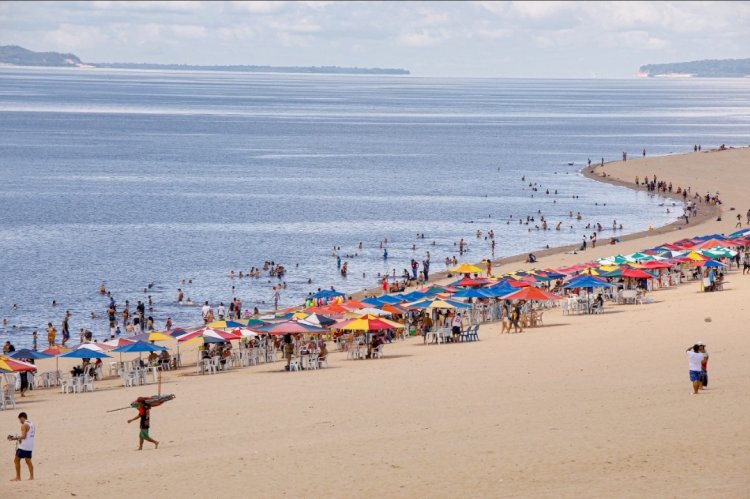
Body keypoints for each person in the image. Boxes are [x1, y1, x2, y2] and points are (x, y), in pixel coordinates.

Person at [10, 412, 34, 481]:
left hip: (24, 446)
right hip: (30, 445)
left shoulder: (24, 425)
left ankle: (18, 477)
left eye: (19, 419)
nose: (20, 421)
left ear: (22, 418)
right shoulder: (32, 424)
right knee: (28, 460)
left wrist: (14, 438)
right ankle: (31, 477)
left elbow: (23, 436)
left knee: (16, 460)